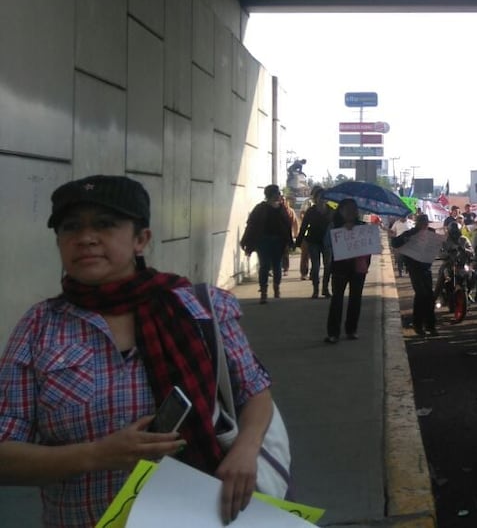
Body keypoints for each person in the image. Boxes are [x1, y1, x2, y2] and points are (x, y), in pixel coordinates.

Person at [0, 175, 273, 526]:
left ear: (140, 239)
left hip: (201, 515)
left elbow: (255, 391)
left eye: (105, 224)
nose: (85, 238)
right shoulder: (39, 328)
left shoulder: (200, 308)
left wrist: (246, 450)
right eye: (70, 228)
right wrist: (97, 455)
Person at [324, 199, 371, 343]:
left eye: (354, 209)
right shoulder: (334, 226)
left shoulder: (363, 227)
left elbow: (370, 246)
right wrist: (343, 230)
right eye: (348, 209)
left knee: (355, 299)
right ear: (341, 211)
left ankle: (351, 330)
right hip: (340, 268)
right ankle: (333, 333)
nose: (351, 212)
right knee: (337, 299)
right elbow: (326, 243)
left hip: (358, 268)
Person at [240, 184, 294, 303]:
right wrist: (245, 240)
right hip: (263, 241)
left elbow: (287, 226)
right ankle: (263, 292)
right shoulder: (260, 208)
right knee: (264, 266)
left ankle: (276, 288)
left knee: (277, 266)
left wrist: (289, 242)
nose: (279, 195)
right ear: (270, 195)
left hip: (278, 242)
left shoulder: (282, 209)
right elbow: (251, 225)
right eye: (277, 193)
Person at [392, 214, 438, 337]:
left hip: (426, 267)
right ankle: (418, 325)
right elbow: (395, 243)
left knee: (429, 295)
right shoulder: (410, 233)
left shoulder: (431, 232)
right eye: (421, 223)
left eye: (425, 223)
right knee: (421, 294)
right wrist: (402, 240)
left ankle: (430, 325)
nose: (424, 225)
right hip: (414, 268)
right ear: (417, 223)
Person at [297, 186, 333, 298]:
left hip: (327, 242)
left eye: (324, 197)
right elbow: (304, 227)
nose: (322, 199)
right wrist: (298, 241)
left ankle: (325, 289)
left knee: (328, 266)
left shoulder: (331, 210)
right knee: (316, 266)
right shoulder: (311, 211)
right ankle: (315, 289)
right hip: (313, 241)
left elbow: (338, 224)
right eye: (319, 197)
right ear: (315, 198)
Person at [435, 222, 475, 306]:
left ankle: (468, 293)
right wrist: (448, 253)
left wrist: (465, 249)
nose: (455, 233)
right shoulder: (445, 241)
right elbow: (440, 253)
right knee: (441, 278)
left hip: (462, 264)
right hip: (448, 264)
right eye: (453, 231)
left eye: (456, 231)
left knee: (474, 275)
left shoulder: (464, 239)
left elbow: (472, 252)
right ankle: (437, 297)